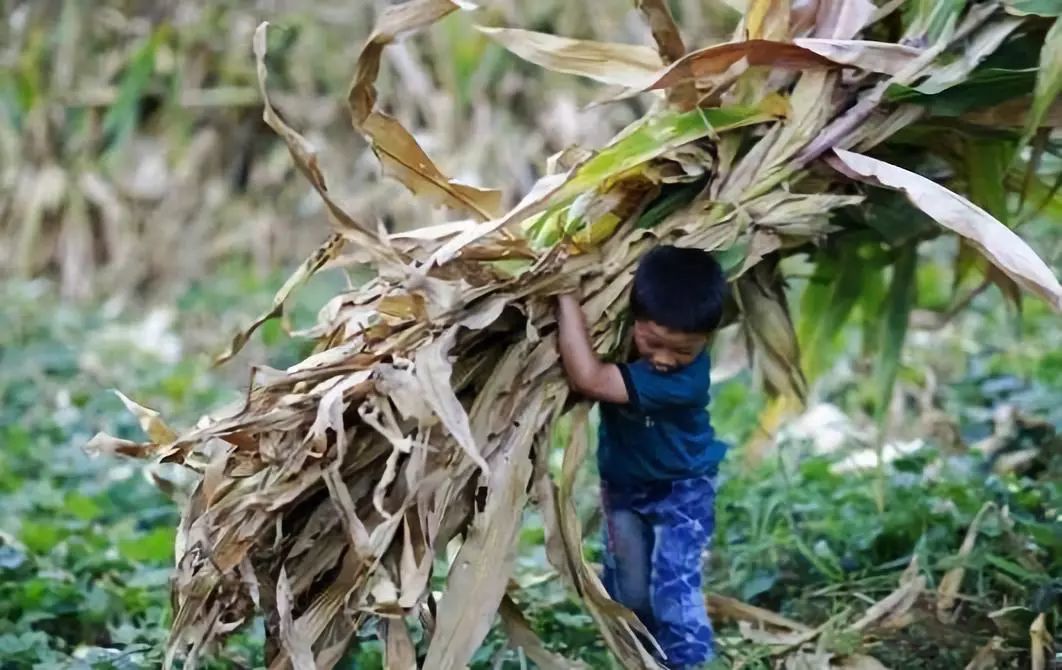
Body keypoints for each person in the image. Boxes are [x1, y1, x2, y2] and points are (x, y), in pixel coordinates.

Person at [555, 245, 729, 669]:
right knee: (628, 594)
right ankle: (643, 660)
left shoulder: (685, 381)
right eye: (653, 342)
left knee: (674, 588)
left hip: (684, 490)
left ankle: (687, 663)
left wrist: (562, 295)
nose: (665, 359)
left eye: (683, 350)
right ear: (632, 318)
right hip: (624, 489)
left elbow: (590, 379)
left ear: (706, 340)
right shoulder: (623, 341)